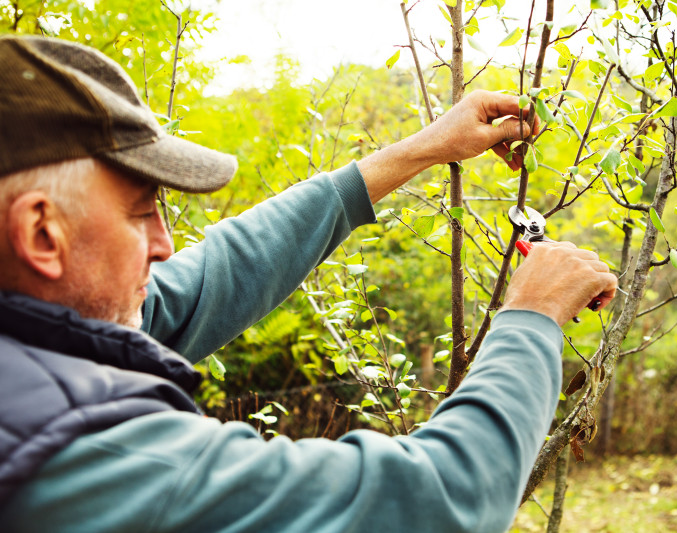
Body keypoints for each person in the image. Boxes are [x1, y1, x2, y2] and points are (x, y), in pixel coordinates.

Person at [0, 35, 617, 532]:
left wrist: (423, 150)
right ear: (41, 234)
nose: (163, 244)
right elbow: (445, 498)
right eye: (141, 212)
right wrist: (530, 320)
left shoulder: (36, 339)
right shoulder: (82, 451)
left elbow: (218, 274)